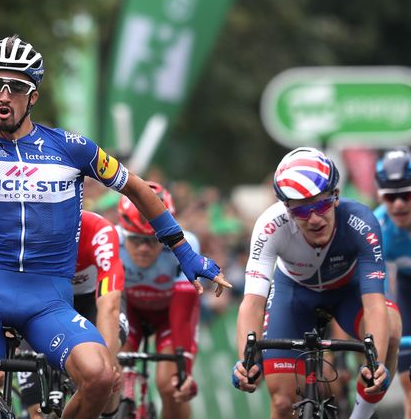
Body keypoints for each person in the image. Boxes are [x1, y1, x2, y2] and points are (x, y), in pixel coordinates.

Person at [0, 34, 231, 419]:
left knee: (100, 378)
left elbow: (137, 188)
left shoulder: (71, 148)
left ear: (33, 97)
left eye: (17, 88)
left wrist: (183, 250)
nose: (4, 96)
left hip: (48, 299)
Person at [233, 147, 402, 419]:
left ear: (335, 196)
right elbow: (252, 303)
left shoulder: (362, 222)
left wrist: (376, 361)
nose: (313, 218)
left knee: (391, 329)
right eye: (301, 210)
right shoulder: (269, 226)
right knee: (282, 401)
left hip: (349, 292)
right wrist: (246, 360)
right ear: (286, 208)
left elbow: (374, 305)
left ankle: (360, 415)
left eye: (320, 205)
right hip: (295, 294)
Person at [0, 202, 128, 417]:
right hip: (41, 303)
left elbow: (109, 304)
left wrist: (108, 361)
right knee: (36, 410)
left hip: (91, 301)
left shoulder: (99, 231)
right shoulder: (20, 229)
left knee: (105, 371)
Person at [116, 181, 200, 419]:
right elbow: (105, 301)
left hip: (169, 317)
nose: (143, 249)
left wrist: (184, 370)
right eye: (134, 240)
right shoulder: (111, 240)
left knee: (170, 385)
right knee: (109, 374)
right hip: (129, 311)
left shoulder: (186, 244)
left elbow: (183, 313)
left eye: (153, 241)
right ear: (123, 232)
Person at [374, 146, 411, 416]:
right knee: (409, 380)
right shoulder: (377, 226)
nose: (399, 204)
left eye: (407, 195)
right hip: (406, 290)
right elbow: (376, 287)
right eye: (390, 196)